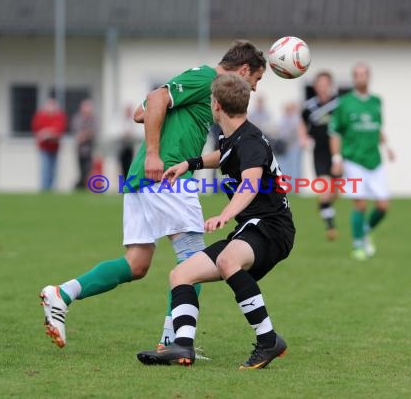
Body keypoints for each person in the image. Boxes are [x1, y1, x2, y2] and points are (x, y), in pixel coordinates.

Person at [39, 40, 267, 350]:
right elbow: (156, 97)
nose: (253, 88)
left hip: (144, 179)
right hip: (167, 176)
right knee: (194, 261)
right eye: (256, 79)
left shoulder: (199, 82)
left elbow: (139, 112)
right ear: (244, 70)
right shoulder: (207, 78)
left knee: (136, 264)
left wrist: (159, 138)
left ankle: (61, 294)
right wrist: (155, 154)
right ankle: (172, 341)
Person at [137, 74, 295, 369]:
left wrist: (225, 214)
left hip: (272, 228)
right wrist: (189, 163)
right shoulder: (234, 135)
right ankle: (182, 345)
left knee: (227, 261)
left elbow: (250, 183)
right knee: (181, 274)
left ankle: (268, 339)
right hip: (252, 227)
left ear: (216, 105)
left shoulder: (250, 142)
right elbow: (224, 155)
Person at [329, 62, 395, 261]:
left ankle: (365, 230)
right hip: (354, 160)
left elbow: (377, 128)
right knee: (360, 204)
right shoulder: (344, 103)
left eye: (364, 74)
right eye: (357, 74)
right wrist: (337, 158)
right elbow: (334, 132)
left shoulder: (376, 101)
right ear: (353, 78)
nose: (361, 77)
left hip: (374, 160)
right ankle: (358, 245)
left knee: (383, 205)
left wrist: (388, 147)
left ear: (369, 76)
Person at [299, 71, 340, 240]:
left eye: (325, 84)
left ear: (330, 85)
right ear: (315, 86)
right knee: (325, 189)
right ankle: (331, 227)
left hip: (338, 152)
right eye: (319, 84)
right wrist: (303, 138)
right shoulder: (309, 106)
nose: (322, 87)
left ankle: (325, 205)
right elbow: (302, 123)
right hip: (320, 152)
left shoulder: (338, 105)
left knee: (335, 191)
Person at [31, 98, 67, 191]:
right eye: (49, 106)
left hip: (55, 147)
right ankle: (44, 188)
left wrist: (49, 133)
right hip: (44, 147)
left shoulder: (59, 116)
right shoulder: (40, 116)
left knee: (53, 170)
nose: (51, 108)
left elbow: (59, 130)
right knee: (45, 169)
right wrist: (46, 133)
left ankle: (51, 189)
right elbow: (37, 130)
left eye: (53, 106)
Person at [72, 99, 98, 190]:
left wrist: (84, 135)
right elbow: (76, 130)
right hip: (79, 149)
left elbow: (93, 132)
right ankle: (80, 186)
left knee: (87, 169)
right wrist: (83, 135)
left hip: (90, 148)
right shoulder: (77, 118)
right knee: (81, 169)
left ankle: (81, 186)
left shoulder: (93, 119)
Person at [276, 102, 303, 187]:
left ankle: (295, 187)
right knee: (284, 168)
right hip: (284, 147)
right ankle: (286, 186)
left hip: (294, 147)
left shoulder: (296, 119)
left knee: (295, 168)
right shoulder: (283, 119)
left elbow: (297, 132)